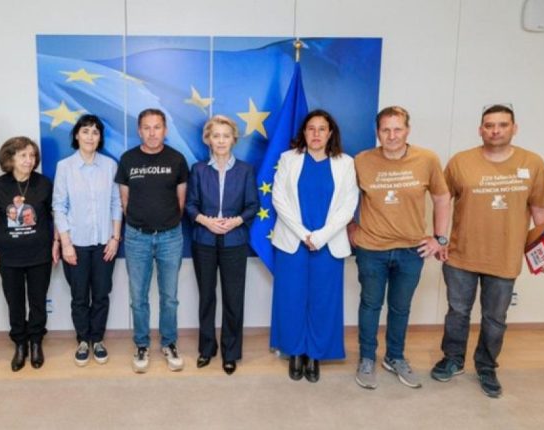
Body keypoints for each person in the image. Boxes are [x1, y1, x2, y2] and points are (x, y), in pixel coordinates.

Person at [430, 104, 544, 398]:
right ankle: (452, 359)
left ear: (514, 128)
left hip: (505, 256)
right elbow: (442, 201)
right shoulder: (461, 162)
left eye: (502, 125)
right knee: (457, 312)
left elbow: (540, 210)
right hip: (460, 255)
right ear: (480, 130)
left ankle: (486, 366)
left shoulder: (533, 163)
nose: (495, 130)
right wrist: (441, 239)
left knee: (495, 318)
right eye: (489, 125)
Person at [349, 106, 450, 390]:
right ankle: (367, 358)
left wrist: (439, 238)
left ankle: (395, 357)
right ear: (377, 132)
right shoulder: (362, 161)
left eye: (397, 129)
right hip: (372, 249)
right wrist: (350, 227)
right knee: (370, 305)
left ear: (407, 130)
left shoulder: (427, 159)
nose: (392, 136)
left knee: (400, 307)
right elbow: (343, 197)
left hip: (411, 251)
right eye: (385, 130)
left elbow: (442, 198)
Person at [271, 109, 359, 383]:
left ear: (330, 133)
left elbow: (349, 205)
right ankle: (296, 352)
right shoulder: (288, 158)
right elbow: (278, 199)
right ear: (304, 132)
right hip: (293, 242)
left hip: (328, 244)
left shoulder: (346, 163)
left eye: (322, 129)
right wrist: (303, 234)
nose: (316, 134)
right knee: (291, 298)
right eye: (311, 128)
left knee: (323, 300)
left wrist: (321, 236)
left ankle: (315, 354)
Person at [115, 108, 189, 373]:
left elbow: (181, 200)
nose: (152, 132)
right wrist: (141, 223)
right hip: (137, 238)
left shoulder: (177, 159)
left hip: (170, 237)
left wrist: (166, 223)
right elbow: (124, 200)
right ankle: (141, 344)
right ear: (139, 130)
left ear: (165, 130)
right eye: (146, 127)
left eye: (157, 127)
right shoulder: (128, 159)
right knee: (138, 297)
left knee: (169, 297)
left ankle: (169, 343)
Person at [185, 115, 258, 375]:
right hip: (204, 241)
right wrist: (206, 221)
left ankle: (231, 352)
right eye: (216, 136)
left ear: (233, 140)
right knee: (207, 297)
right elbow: (190, 205)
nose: (221, 141)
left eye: (226, 136)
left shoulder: (245, 170)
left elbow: (253, 206)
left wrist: (235, 221)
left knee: (233, 298)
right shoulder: (198, 169)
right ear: (208, 139)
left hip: (234, 241)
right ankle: (207, 349)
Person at [54, 114, 122, 367]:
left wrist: (115, 238)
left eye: (95, 132)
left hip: (105, 243)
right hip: (76, 245)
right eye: (85, 131)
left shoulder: (110, 166)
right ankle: (83, 340)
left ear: (100, 137)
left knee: (102, 294)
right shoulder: (65, 167)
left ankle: (98, 339)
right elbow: (58, 206)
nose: (90, 136)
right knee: (80, 296)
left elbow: (116, 203)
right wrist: (66, 244)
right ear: (76, 135)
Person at [0, 136, 58, 372]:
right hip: (9, 256)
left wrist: (57, 243)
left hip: (39, 254)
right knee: (15, 302)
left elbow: (54, 216)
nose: (29, 160)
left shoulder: (44, 183)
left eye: (32, 155)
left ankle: (36, 341)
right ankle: (20, 343)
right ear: (10, 158)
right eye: (23, 155)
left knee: (38, 301)